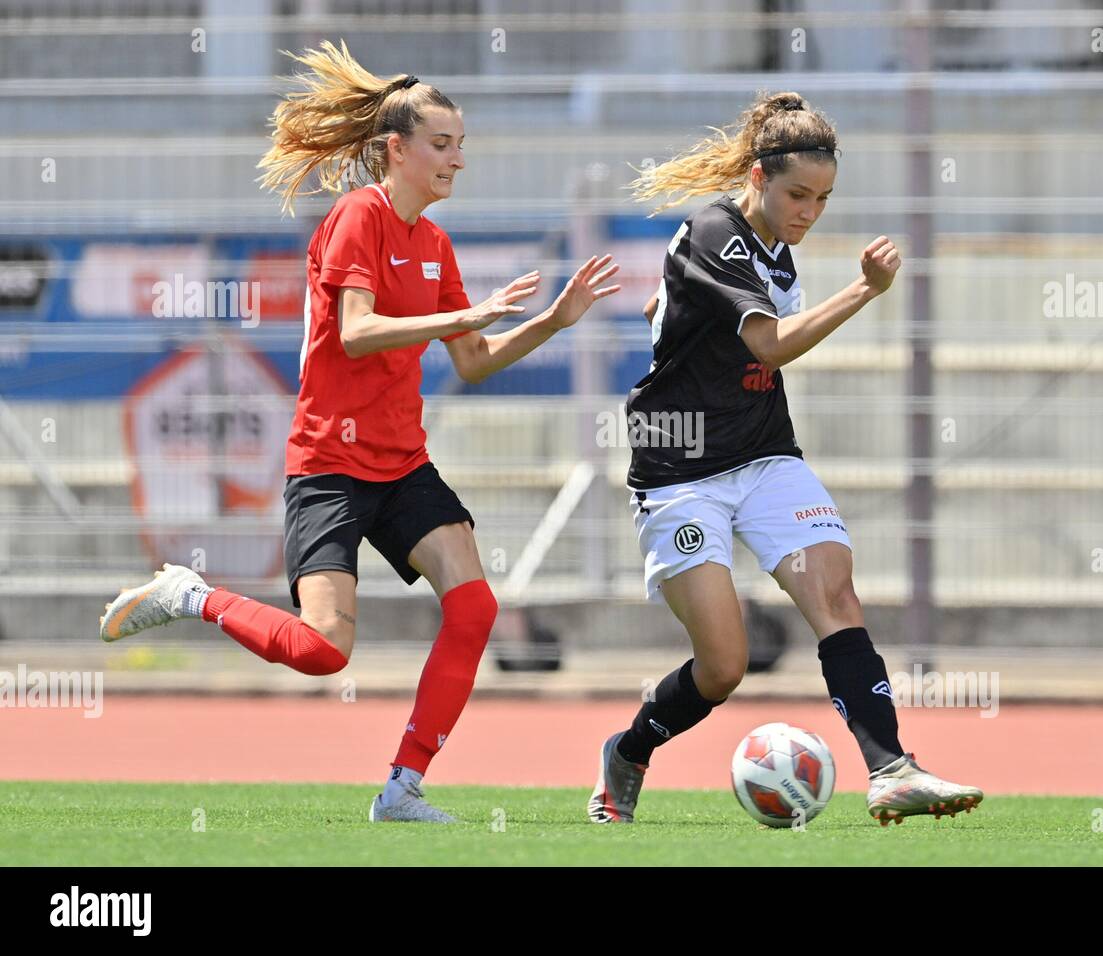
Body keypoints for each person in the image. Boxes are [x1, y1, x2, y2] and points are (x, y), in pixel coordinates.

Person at [99, 40, 620, 824]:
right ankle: (190, 594)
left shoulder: (434, 243)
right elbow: (356, 331)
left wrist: (554, 318)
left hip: (402, 463)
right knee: (323, 651)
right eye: (442, 146)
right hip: (330, 467)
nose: (457, 161)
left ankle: (402, 788)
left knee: (475, 609)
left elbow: (474, 361)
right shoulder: (357, 217)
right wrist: (462, 314)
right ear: (395, 150)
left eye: (461, 147)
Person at [587, 91, 982, 827]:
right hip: (680, 471)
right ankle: (630, 749)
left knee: (835, 597)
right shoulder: (716, 230)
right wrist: (865, 288)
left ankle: (892, 768)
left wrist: (670, 314)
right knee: (723, 667)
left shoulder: (773, 250)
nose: (809, 211)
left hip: (764, 453)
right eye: (798, 194)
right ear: (760, 177)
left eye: (824, 199)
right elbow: (767, 345)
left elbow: (671, 313)